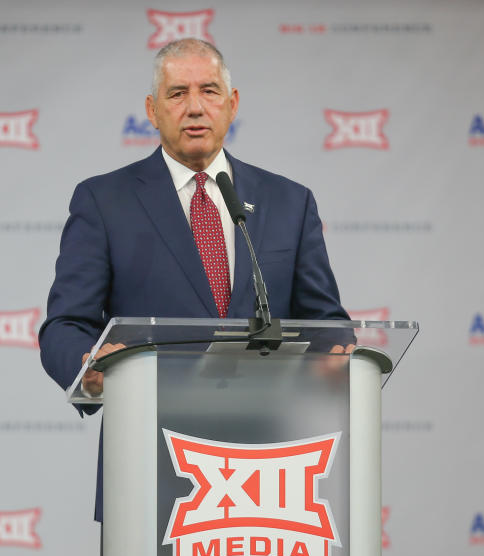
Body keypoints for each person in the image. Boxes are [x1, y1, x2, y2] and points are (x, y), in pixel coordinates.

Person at [38, 38, 350, 522]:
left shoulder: (290, 202)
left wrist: (338, 356)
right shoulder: (104, 201)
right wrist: (88, 363)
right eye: (177, 93)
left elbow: (327, 323)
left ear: (232, 103)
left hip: (271, 465)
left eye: (208, 90)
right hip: (151, 457)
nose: (195, 107)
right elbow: (64, 325)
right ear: (152, 110)